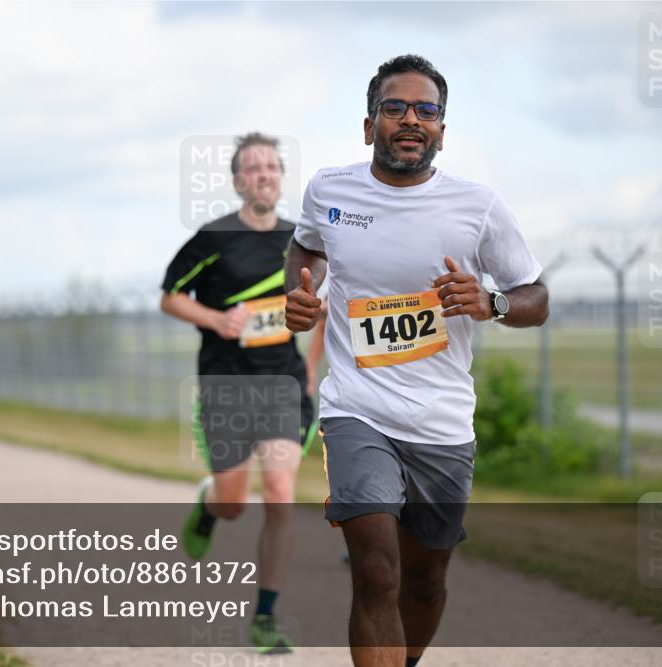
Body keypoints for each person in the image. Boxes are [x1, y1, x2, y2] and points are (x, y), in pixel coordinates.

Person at [284, 55, 549, 667]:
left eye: (426, 110)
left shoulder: (477, 206)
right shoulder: (330, 189)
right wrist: (302, 290)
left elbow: (536, 298)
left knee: (424, 582)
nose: (410, 119)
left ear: (441, 130)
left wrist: (493, 301)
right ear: (370, 122)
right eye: (395, 107)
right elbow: (305, 244)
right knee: (376, 573)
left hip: (442, 421)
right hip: (357, 409)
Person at [161, 133, 322, 655]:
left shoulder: (301, 240)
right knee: (235, 504)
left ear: (280, 176)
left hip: (283, 385)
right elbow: (170, 297)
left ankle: (266, 616)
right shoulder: (213, 237)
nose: (264, 175)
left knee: (278, 492)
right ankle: (211, 506)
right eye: (252, 168)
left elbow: (323, 307)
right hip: (227, 388)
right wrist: (215, 318)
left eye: (272, 166)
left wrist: (313, 369)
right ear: (236, 181)